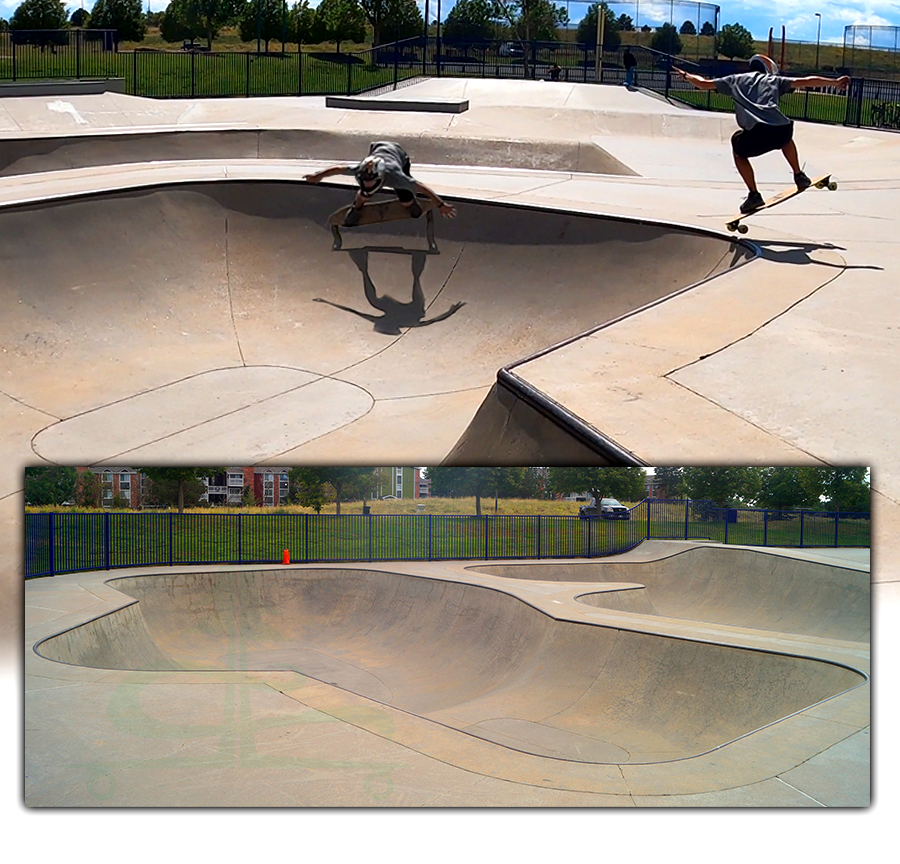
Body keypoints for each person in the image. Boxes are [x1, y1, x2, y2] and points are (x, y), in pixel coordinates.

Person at [674, 55, 850, 213]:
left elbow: (703, 83)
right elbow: (807, 81)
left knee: (737, 144)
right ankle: (799, 175)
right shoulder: (774, 80)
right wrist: (835, 82)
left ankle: (754, 195)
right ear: (768, 69)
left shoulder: (734, 80)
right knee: (784, 134)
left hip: (756, 134)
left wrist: (686, 75)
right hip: (782, 131)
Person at [304, 141, 457, 226]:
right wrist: (318, 176)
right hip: (377, 149)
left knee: (405, 198)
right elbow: (338, 169)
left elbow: (422, 188)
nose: (369, 185)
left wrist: (440, 204)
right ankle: (356, 208)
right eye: (366, 182)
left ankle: (410, 204)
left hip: (399, 156)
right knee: (364, 195)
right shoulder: (360, 170)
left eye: (371, 183)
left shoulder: (397, 176)